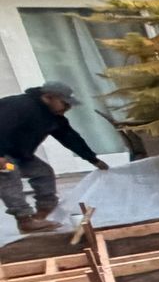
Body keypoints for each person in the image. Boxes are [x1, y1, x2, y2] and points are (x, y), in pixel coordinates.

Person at [0, 81, 111, 233]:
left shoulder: (53, 117)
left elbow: (69, 137)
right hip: (3, 156)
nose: (67, 108)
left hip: (16, 155)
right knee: (9, 173)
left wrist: (93, 159)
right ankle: (24, 219)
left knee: (43, 172)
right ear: (48, 97)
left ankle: (42, 215)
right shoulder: (20, 106)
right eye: (64, 103)